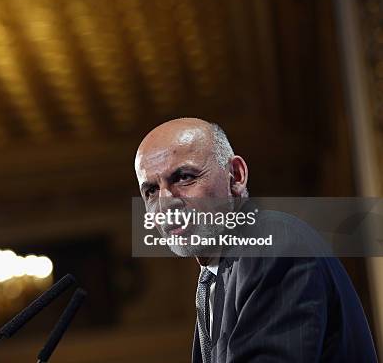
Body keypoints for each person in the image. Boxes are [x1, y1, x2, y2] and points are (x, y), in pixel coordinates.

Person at [134, 117, 378, 363]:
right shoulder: (218, 274)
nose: (165, 203)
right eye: (151, 191)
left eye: (184, 177)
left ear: (236, 176)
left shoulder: (272, 244)